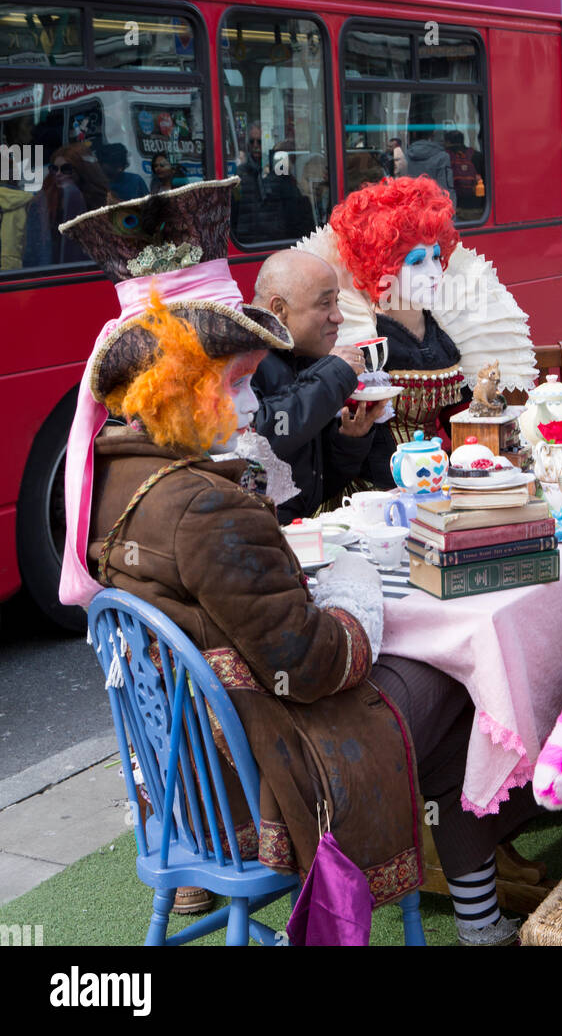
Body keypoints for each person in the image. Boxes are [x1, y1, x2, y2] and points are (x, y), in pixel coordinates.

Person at [58, 178, 537, 944]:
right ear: (193, 388)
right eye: (241, 378)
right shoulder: (204, 505)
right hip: (255, 778)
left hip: (183, 776)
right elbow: (313, 664)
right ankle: (481, 920)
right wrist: (356, 597)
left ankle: (477, 909)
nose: (251, 399)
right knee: (459, 684)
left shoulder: (111, 477)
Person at [302, 176, 537, 448]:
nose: (434, 273)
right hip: (376, 485)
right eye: (416, 262)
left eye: (436, 257)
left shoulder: (443, 331)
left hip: (436, 473)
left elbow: (459, 418)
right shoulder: (366, 339)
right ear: (381, 268)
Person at [250, 249, 393, 519]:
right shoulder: (241, 359)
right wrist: (333, 375)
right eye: (325, 304)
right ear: (279, 309)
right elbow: (265, 433)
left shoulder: (302, 353)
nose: (338, 317)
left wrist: (350, 439)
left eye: (336, 302)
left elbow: (320, 484)